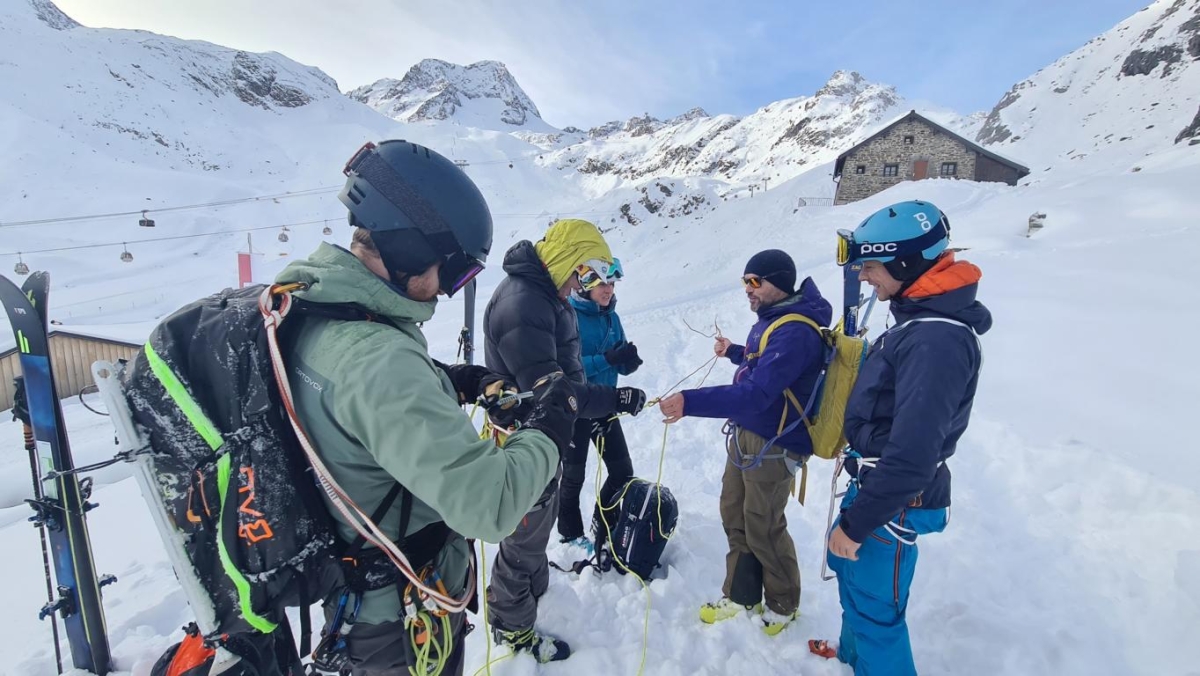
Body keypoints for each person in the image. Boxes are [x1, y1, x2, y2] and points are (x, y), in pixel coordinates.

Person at [275, 140, 579, 676]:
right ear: (414, 249)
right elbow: (491, 504)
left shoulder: (311, 309)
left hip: (361, 595)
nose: (444, 293)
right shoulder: (378, 359)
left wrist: (449, 379)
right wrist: (554, 424)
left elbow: (362, 401)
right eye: (455, 274)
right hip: (399, 619)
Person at [819, 199, 990, 675]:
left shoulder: (936, 339)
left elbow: (915, 454)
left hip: (895, 497)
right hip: (878, 485)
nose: (864, 277)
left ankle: (874, 659)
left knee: (878, 610)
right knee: (853, 582)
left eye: (870, 266)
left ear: (905, 263)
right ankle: (852, 659)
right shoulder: (917, 324)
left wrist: (856, 525)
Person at [482, 219, 647, 662]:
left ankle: (532, 600)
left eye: (595, 278)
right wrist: (612, 397)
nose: (586, 285)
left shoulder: (546, 298)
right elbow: (551, 390)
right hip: (527, 440)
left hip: (549, 430)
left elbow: (566, 375)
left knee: (536, 528)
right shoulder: (523, 305)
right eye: (584, 275)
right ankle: (513, 632)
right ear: (563, 262)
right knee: (524, 535)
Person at [659, 249, 832, 636]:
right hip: (748, 437)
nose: (748, 290)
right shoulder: (773, 321)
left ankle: (783, 604)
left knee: (764, 525)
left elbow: (757, 392)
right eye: (745, 282)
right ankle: (741, 595)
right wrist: (735, 352)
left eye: (755, 282)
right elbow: (762, 362)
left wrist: (690, 401)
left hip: (774, 444)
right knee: (735, 515)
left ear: (780, 283)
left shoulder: (796, 331)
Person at [558, 258, 643, 553]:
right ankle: (569, 536)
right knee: (573, 478)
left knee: (622, 474)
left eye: (611, 284)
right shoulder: (568, 315)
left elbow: (618, 360)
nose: (608, 290)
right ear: (585, 284)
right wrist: (606, 359)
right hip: (576, 408)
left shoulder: (612, 317)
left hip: (605, 405)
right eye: (602, 284)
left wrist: (627, 363)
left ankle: (604, 525)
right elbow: (566, 368)